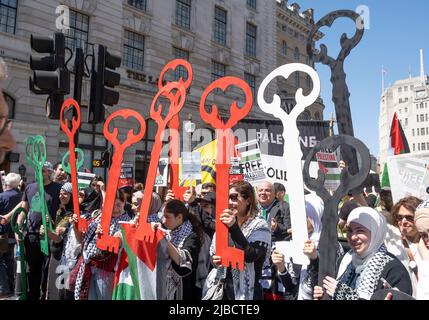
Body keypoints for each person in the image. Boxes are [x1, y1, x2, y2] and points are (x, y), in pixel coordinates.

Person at [314, 207, 412, 300]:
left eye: (360, 231)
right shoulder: (345, 261)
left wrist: (346, 296)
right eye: (349, 231)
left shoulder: (393, 270)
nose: (353, 237)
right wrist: (324, 295)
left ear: (375, 232)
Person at [203, 181, 271, 300]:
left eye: (234, 198)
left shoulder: (260, 225)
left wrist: (234, 227)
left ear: (248, 200)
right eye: (228, 198)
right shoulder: (223, 224)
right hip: (223, 289)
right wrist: (216, 260)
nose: (230, 202)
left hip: (248, 292)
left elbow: (250, 255)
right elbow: (214, 256)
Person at [74, 189, 131, 300]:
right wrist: (76, 227)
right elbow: (82, 240)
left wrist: (105, 238)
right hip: (90, 265)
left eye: (119, 204)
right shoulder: (98, 216)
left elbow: (119, 246)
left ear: (124, 203)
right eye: (113, 204)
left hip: (107, 270)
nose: (116, 208)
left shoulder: (126, 221)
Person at [18, 161, 62, 300]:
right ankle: (33, 296)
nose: (40, 173)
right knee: (32, 271)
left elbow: (62, 210)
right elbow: (24, 209)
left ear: (50, 172)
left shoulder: (57, 188)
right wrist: (19, 225)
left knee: (47, 272)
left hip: (49, 235)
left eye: (43, 170)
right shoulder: (30, 187)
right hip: (31, 234)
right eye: (38, 170)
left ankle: (46, 296)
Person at [152, 199, 204, 300]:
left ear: (179, 217)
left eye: (167, 217)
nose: (163, 220)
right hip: (163, 287)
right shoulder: (168, 230)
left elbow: (184, 261)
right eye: (163, 216)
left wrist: (164, 240)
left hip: (183, 291)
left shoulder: (191, 236)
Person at [388, 196, 423, 297]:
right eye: (399, 217)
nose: (403, 222)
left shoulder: (425, 244)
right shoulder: (392, 239)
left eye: (409, 217)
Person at [0, 173, 22, 298]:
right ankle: (11, 287)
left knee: (3, 261)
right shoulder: (22, 196)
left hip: (3, 234)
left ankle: (4, 288)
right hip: (16, 234)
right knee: (9, 262)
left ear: (7, 183)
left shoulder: (2, 196)